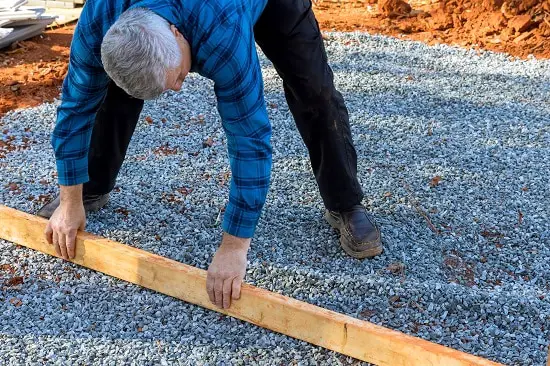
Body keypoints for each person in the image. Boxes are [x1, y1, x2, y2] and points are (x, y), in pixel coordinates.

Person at [39, 0, 382, 310]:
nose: (176, 89)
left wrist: (234, 246)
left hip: (255, 7)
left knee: (316, 94)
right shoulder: (101, 15)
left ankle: (345, 203)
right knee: (115, 91)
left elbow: (250, 139)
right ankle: (91, 187)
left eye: (175, 77)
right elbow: (75, 109)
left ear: (176, 34)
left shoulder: (223, 35)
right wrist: (70, 201)